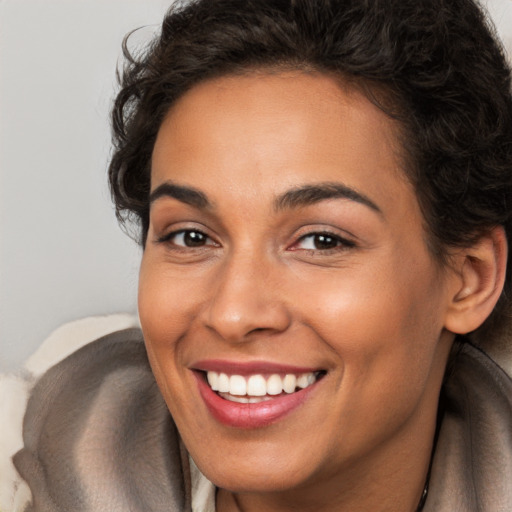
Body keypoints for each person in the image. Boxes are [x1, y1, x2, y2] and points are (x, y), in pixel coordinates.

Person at [9, 0, 512, 510]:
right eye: (191, 237)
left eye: (322, 240)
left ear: (470, 279)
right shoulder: (28, 451)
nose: (233, 313)